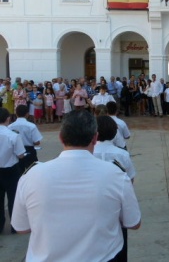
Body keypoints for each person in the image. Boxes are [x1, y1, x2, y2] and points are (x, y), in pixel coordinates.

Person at [11, 110, 141, 261]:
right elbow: (133, 222)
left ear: (61, 138)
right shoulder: (116, 175)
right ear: (95, 138)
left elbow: (21, 228)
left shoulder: (31, 175)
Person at [94, 115, 137, 262]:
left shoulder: (89, 152)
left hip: (92, 205)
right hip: (116, 205)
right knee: (120, 242)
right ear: (114, 133)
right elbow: (130, 181)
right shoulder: (122, 154)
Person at [0, 108, 26, 234]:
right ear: (8, 119)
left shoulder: (13, 134)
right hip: (11, 170)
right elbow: (21, 155)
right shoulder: (13, 135)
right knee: (13, 199)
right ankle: (15, 226)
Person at [8, 105, 43, 173]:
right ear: (27, 114)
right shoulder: (31, 126)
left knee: (19, 173)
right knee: (32, 172)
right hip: (29, 150)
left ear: (16, 113)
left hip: (16, 151)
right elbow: (37, 142)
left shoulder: (10, 126)